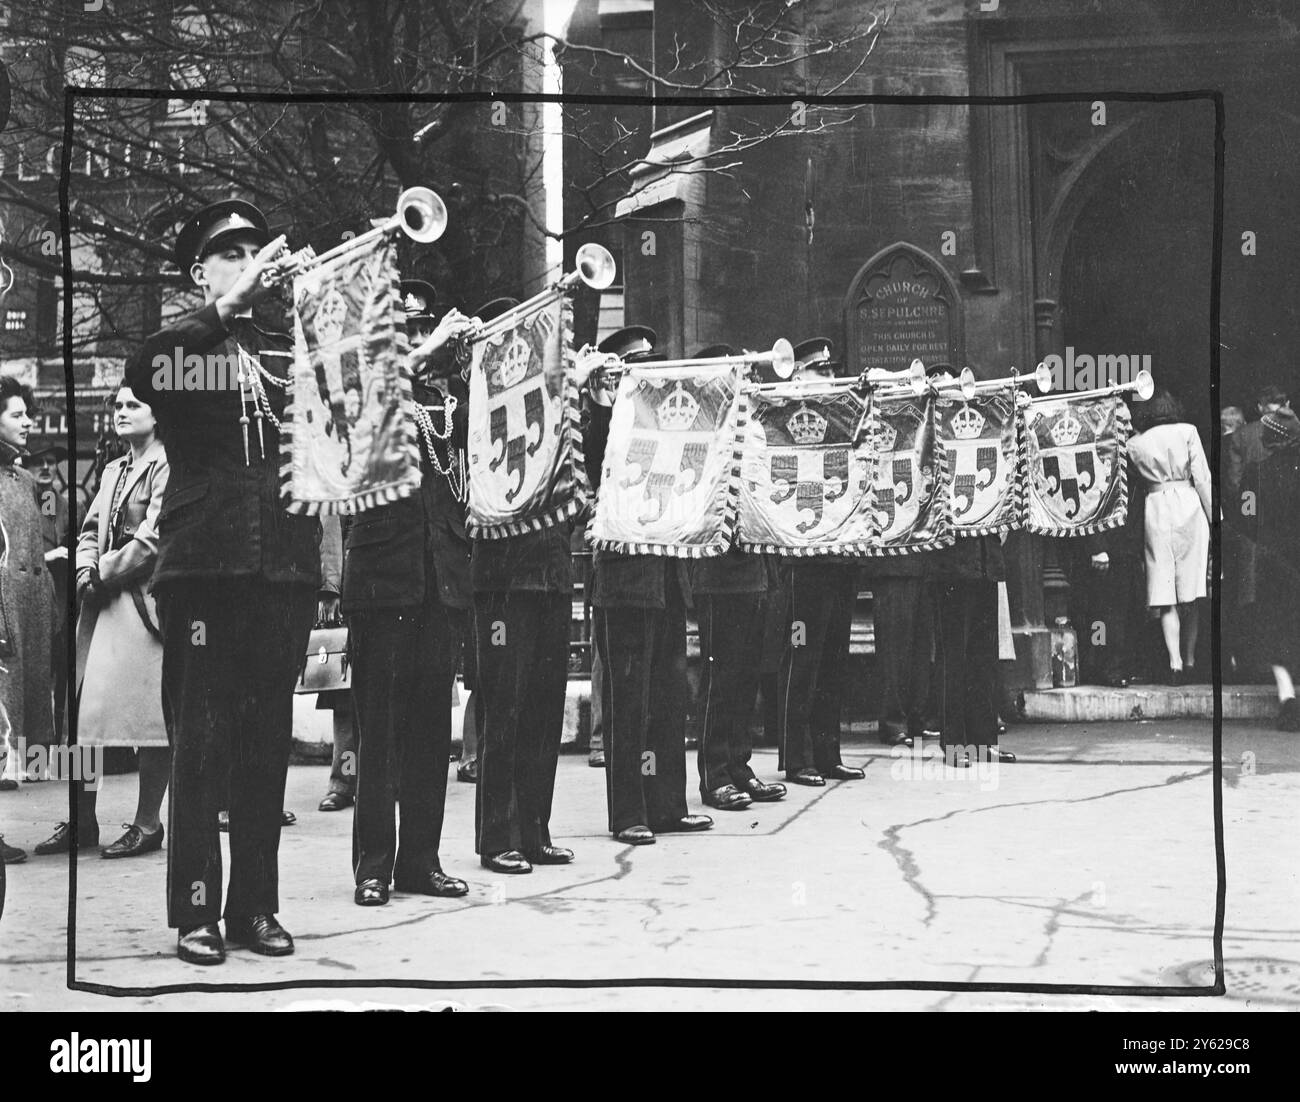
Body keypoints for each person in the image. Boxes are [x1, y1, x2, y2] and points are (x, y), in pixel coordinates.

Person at [125, 199, 320, 965]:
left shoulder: (283, 346)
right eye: (229, 254)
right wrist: (228, 305)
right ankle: (197, 913)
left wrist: (316, 305)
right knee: (202, 745)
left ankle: (255, 909)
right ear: (201, 272)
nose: (247, 263)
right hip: (206, 567)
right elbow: (146, 371)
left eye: (253, 252)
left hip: (281, 567)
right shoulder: (194, 346)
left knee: (264, 749)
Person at [343, 282, 476, 905]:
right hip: (383, 582)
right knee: (382, 732)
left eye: (424, 330)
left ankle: (421, 860)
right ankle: (373, 864)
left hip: (439, 581)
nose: (419, 340)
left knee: (429, 732)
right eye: (408, 331)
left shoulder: (445, 401)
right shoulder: (367, 387)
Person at [583, 326, 713, 845]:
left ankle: (667, 804)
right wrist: (596, 400)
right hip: (623, 579)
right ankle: (628, 811)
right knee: (627, 699)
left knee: (667, 697)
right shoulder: (602, 421)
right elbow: (593, 468)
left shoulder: (667, 426)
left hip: (667, 577)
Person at [33, 386, 171, 859]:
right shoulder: (113, 470)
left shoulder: (168, 464)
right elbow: (89, 531)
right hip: (100, 608)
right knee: (83, 718)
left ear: (158, 414)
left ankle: (148, 822)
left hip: (143, 609)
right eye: (117, 405)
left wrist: (103, 571)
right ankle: (82, 821)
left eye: (133, 405)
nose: (121, 413)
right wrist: (85, 569)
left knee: (151, 721)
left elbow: (154, 539)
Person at [471, 296, 578, 874]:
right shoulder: (479, 401)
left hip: (553, 574)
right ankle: (497, 835)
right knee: (504, 711)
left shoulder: (554, 398)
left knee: (543, 709)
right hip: (504, 579)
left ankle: (535, 827)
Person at [687, 343, 787, 810]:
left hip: (752, 567)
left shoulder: (752, 427)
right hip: (716, 569)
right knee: (719, 673)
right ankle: (714, 773)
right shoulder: (704, 428)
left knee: (745, 672)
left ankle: (740, 764)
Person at [775, 339, 866, 786]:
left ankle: (828, 752)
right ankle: (796, 757)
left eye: (830, 372)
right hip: (801, 559)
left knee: (833, 657)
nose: (829, 379)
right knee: (802, 656)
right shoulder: (788, 418)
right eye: (819, 372)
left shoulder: (839, 418)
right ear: (798, 376)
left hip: (837, 553)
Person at [1126, 389, 1212, 685]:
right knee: (1191, 589)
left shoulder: (1135, 443)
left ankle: (1173, 663)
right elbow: (1202, 477)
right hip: (1188, 505)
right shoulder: (1188, 431)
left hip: (1157, 509)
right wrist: (1217, 518)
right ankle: (1190, 661)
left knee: (1165, 593)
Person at [0, 376, 56, 790]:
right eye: (17, 415)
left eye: (28, 415)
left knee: (24, 706)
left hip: (30, 611)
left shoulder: (27, 481)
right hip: (5, 613)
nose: (27, 423)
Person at [928, 532, 1016, 767]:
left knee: (984, 659)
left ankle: (984, 743)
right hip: (953, 563)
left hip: (987, 561)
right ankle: (954, 744)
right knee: (953, 658)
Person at [1237, 405, 1300, 729]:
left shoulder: (1256, 472)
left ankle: (1287, 698)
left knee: (1276, 627)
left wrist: (1262, 539)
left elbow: (1244, 516)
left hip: (1273, 559)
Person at [22, 442, 71, 743]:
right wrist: (46, 558)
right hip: (29, 597)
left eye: (50, 462)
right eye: (37, 463)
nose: (44, 468)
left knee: (63, 668)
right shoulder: (18, 504)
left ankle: (60, 738)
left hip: (62, 600)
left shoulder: (65, 505)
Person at [315, 513, 357, 811]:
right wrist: (330, 587)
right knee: (345, 696)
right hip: (348, 586)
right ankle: (344, 781)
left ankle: (388, 777)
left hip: (389, 584)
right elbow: (330, 524)